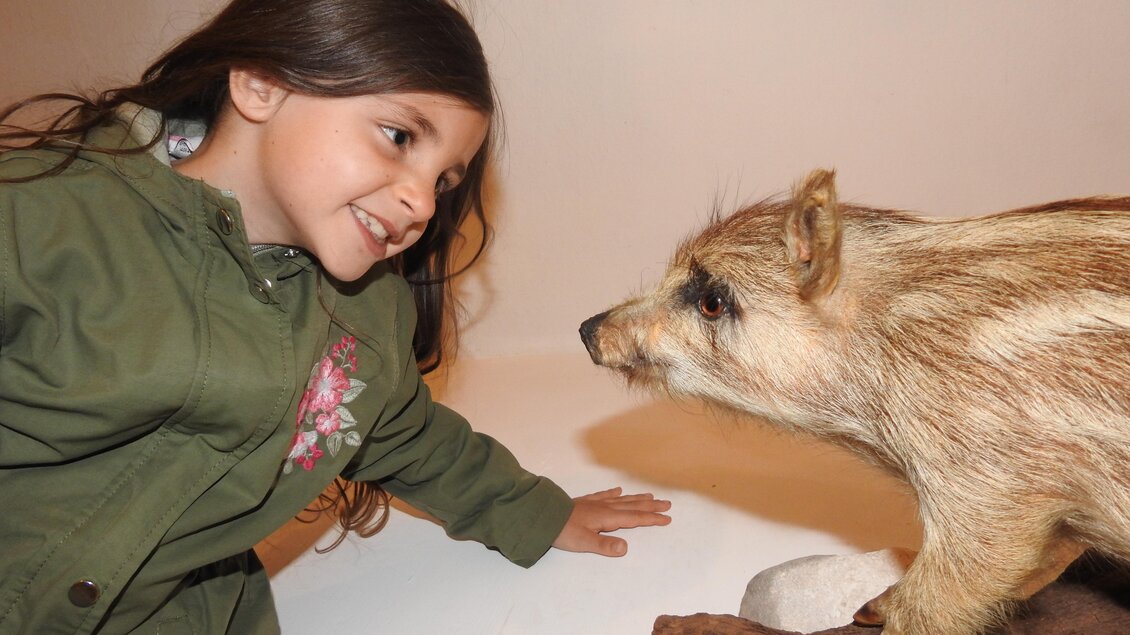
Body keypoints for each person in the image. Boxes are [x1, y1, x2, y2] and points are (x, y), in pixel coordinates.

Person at [0, 0, 672, 632]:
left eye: (443, 181)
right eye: (398, 136)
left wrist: (534, 511)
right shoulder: (39, 222)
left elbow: (408, 437)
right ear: (261, 83)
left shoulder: (363, 316)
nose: (423, 203)